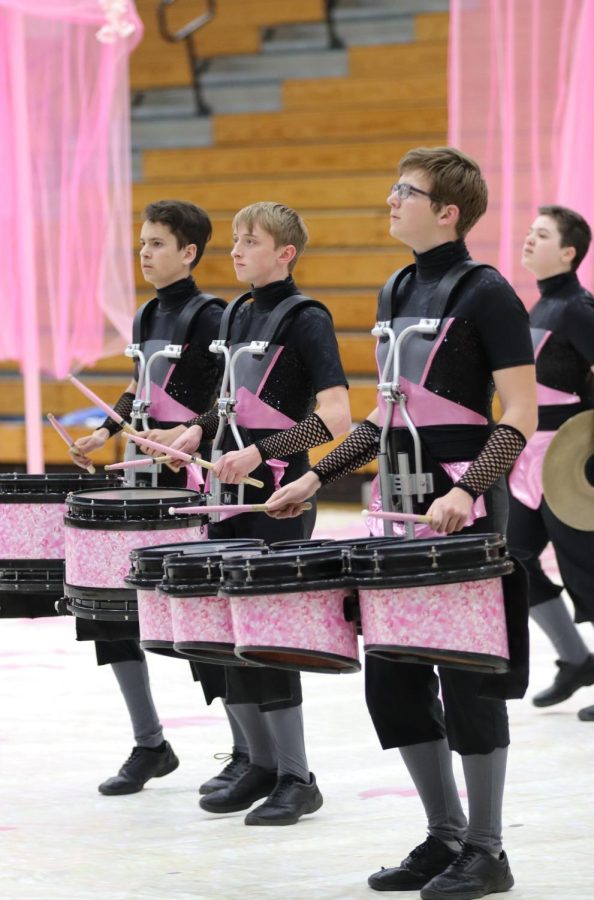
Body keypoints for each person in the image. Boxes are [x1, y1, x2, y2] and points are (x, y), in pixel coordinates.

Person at [266, 148, 537, 897]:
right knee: (393, 681)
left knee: (468, 678)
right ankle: (442, 835)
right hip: (395, 506)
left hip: (463, 507)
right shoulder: (394, 287)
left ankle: (488, 849)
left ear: (447, 210)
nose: (390, 199)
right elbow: (384, 420)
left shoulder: (487, 293)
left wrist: (470, 490)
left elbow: (520, 411)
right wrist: (313, 476)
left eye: (405, 191)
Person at [169, 201, 351, 825]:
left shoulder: (307, 318)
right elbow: (229, 404)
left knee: (270, 635)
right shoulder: (240, 312)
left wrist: (260, 453)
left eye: (252, 241)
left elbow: (335, 418)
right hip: (225, 495)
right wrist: (196, 433)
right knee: (224, 630)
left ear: (286, 254)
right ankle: (260, 764)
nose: (238, 250)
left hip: (277, 499)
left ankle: (298, 777)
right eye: (237, 240)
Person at [71, 199, 233, 796]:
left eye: (158, 243)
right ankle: (150, 742)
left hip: (186, 480)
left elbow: (226, 398)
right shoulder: (146, 315)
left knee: (194, 614)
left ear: (189, 252)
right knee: (109, 613)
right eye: (142, 242)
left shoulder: (211, 315)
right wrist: (104, 431)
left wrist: (190, 432)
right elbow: (141, 387)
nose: (144, 252)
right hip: (141, 474)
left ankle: (246, 750)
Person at [507, 206, 594, 719]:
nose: (528, 239)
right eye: (529, 231)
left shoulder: (579, 309)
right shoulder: (539, 307)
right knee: (515, 561)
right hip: (529, 462)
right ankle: (576, 660)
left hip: (573, 463)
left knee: (589, 572)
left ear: (568, 252)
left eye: (540, 235)